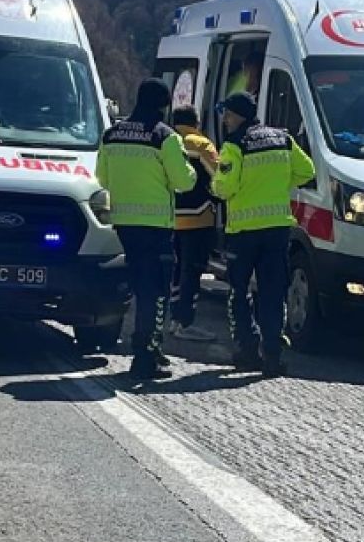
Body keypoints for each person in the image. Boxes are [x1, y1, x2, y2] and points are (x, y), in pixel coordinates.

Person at [95, 78, 196, 380]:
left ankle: (147, 348)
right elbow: (183, 182)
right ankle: (145, 355)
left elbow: (102, 178)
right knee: (156, 292)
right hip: (156, 228)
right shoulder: (164, 136)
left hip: (125, 225)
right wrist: (189, 168)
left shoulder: (112, 134)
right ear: (163, 105)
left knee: (139, 288)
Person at [212, 91, 316, 377]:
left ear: (238, 116)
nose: (225, 119)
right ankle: (273, 354)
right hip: (276, 230)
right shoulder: (282, 138)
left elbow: (224, 188)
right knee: (272, 293)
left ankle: (247, 350)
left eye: (228, 114)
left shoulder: (234, 145)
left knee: (239, 292)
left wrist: (217, 183)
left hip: (243, 233)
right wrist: (280, 184)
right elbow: (307, 170)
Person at [167, 105, 221, 343]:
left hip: (170, 217)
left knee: (176, 271)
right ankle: (185, 322)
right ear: (196, 122)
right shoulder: (202, 145)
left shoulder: (166, 140)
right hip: (199, 218)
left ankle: (173, 318)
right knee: (193, 270)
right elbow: (219, 178)